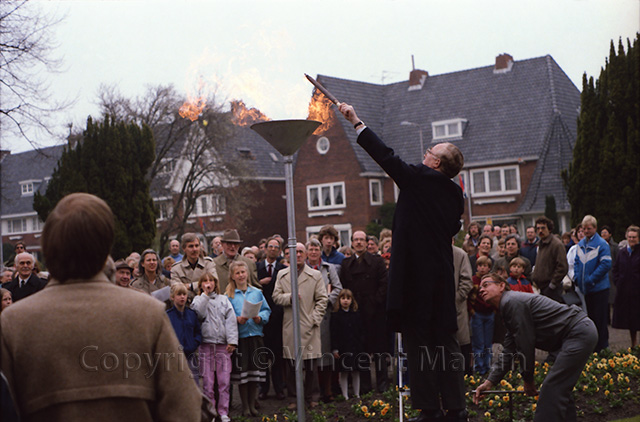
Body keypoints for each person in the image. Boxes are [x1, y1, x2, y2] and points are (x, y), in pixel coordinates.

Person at [1, 193, 201, 420]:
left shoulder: (13, 323)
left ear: (47, 248)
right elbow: (185, 409)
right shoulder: (147, 314)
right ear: (106, 246)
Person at [339, 103, 467, 421]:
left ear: (436, 162)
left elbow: (386, 157)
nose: (423, 154)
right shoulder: (455, 195)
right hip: (441, 278)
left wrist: (356, 121)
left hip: (415, 280)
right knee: (446, 343)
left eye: (428, 151)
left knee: (419, 344)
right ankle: (456, 409)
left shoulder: (419, 179)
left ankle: (428, 410)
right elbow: (451, 228)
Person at [474, 273, 597, 421]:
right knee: (559, 389)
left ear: (501, 286)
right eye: (480, 287)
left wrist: (528, 378)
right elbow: (509, 350)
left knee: (552, 388)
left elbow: (525, 343)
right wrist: (489, 382)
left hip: (578, 333)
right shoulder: (509, 306)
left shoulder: (511, 302)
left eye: (486, 284)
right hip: (576, 333)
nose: (481, 289)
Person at [273, 242, 328, 409]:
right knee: (291, 365)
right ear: (288, 255)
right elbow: (276, 297)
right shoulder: (282, 275)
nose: (297, 255)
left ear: (305, 254)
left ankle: (312, 397)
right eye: (294, 252)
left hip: (310, 326)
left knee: (311, 365)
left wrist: (314, 319)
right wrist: (289, 297)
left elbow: (322, 299)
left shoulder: (315, 275)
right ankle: (293, 398)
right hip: (290, 326)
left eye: (300, 252)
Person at [339, 230, 390, 394]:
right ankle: (365, 385)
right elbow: (345, 287)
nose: (359, 242)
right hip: (357, 313)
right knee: (361, 349)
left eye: (362, 240)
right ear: (352, 243)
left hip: (376, 311)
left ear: (367, 242)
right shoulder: (346, 264)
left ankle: (382, 382)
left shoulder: (377, 262)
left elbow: (384, 284)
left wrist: (375, 301)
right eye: (356, 240)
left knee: (380, 349)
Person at [191, 272, 238, 422]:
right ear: (201, 285)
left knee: (224, 381)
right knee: (208, 382)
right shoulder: (198, 300)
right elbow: (198, 314)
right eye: (205, 281)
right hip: (206, 345)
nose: (208, 283)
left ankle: (223, 411)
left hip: (222, 346)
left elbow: (231, 321)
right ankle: (210, 412)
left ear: (216, 283)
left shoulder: (223, 299)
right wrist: (205, 295)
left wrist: (232, 341)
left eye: (211, 281)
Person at [226, 261, 271, 417]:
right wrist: (237, 319)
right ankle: (244, 406)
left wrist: (260, 318)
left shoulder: (256, 292)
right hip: (241, 338)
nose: (241, 275)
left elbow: (266, 310)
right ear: (232, 276)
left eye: (243, 272)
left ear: (247, 274)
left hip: (256, 336)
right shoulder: (229, 296)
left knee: (255, 373)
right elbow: (226, 316)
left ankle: (253, 404)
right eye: (237, 273)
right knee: (243, 374)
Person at [306, 238, 342, 402]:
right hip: (307, 316)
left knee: (326, 354)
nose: (313, 252)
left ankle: (327, 391)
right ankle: (312, 393)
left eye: (316, 249)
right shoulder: (302, 268)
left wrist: (326, 300)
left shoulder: (329, 269)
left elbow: (338, 288)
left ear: (320, 251)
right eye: (311, 249)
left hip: (325, 316)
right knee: (310, 356)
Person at [574, 215, 612, 352]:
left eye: (588, 228)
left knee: (600, 319)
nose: (586, 231)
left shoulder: (602, 244)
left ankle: (603, 347)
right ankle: (594, 346)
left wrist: (591, 279)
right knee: (590, 320)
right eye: (584, 228)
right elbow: (577, 262)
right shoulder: (581, 244)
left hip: (599, 288)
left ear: (595, 228)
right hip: (586, 289)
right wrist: (577, 277)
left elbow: (606, 264)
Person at [256, 236, 287, 400]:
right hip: (259, 316)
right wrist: (260, 283)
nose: (273, 249)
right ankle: (263, 388)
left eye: (277, 247)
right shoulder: (257, 267)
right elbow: (250, 286)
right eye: (271, 246)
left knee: (276, 356)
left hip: (277, 316)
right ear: (265, 248)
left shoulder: (283, 269)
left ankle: (279, 388)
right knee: (262, 355)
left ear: (280, 251)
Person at [330, 289, 365, 400]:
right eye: (343, 298)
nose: (345, 301)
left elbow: (361, 331)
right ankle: (345, 395)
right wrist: (335, 349)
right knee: (343, 372)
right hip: (342, 348)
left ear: (352, 300)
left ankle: (356, 393)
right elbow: (333, 333)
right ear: (339, 300)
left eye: (348, 298)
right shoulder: (335, 316)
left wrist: (362, 347)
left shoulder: (356, 314)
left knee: (355, 371)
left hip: (355, 347)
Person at [167, 283, 202, 383]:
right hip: (174, 357)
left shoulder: (191, 314)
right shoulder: (168, 316)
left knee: (193, 384)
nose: (182, 297)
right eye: (179, 294)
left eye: (184, 294)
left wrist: (194, 344)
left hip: (190, 356)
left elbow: (198, 332)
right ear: (172, 297)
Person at [611, 225, 640, 347]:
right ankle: (634, 344)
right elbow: (615, 269)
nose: (632, 239)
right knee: (631, 321)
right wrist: (618, 282)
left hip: (638, 291)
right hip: (625, 292)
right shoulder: (622, 253)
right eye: (630, 237)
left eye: (634, 237)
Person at [530, 216, 568, 303]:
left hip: (552, 289)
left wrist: (552, 285)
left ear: (549, 229)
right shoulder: (541, 244)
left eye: (543, 228)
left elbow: (562, 267)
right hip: (542, 288)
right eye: (538, 228)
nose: (540, 231)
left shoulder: (556, 244)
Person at [467, 256, 494, 375]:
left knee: (488, 344)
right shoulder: (473, 280)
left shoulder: (491, 281)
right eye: (480, 265)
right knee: (478, 344)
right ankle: (479, 369)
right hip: (477, 314)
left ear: (489, 268)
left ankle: (487, 368)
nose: (482, 268)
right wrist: (471, 311)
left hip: (489, 314)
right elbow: (468, 297)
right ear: (476, 267)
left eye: (485, 266)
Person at [172, 232, 217, 299]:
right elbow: (176, 290)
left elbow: (214, 283)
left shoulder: (208, 263)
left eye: (197, 246)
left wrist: (191, 286)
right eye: (191, 246)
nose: (194, 249)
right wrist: (202, 285)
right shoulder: (176, 269)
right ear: (184, 248)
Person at [213, 229, 259, 293]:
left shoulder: (249, 263)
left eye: (236, 244)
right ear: (222, 244)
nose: (233, 246)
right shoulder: (214, 264)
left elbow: (256, 288)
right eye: (229, 244)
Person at [452, 244, 473, 375]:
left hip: (456, 308)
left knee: (462, 344)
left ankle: (466, 377)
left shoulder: (460, 254)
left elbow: (467, 281)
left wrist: (456, 298)